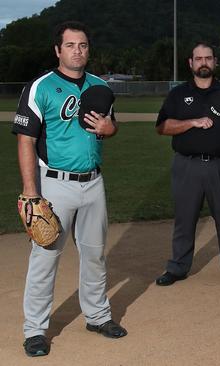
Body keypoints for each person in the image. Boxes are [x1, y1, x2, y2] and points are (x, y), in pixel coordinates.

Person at [12, 21, 127, 357]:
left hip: (93, 182)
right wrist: (31, 191)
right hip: (54, 185)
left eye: (84, 45)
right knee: (45, 256)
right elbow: (26, 140)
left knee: (94, 254)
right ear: (58, 50)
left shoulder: (100, 86)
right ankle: (35, 330)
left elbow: (108, 127)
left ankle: (97, 316)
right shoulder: (41, 87)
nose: (78, 51)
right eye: (71, 45)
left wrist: (110, 128)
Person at [155, 42, 220, 286]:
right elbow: (162, 127)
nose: (203, 62)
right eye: (198, 59)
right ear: (191, 63)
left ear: (215, 62)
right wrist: (192, 122)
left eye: (208, 58)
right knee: (184, 219)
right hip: (186, 165)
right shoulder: (178, 94)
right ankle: (177, 267)